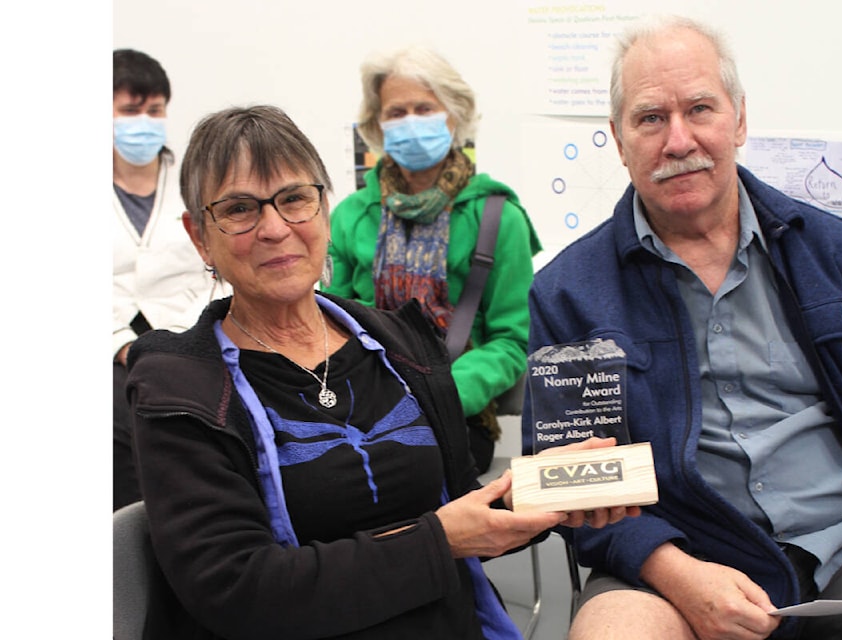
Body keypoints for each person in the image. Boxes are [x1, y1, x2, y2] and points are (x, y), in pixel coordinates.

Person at [125, 104, 638, 640]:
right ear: (199, 235)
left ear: (325, 207)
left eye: (295, 199)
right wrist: (440, 540)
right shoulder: (180, 388)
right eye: (239, 209)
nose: (275, 228)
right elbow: (240, 590)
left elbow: (458, 506)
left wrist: (547, 490)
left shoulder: (400, 345)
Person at [522, 16, 842, 640]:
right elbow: (564, 479)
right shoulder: (568, 293)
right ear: (619, 142)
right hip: (675, 555)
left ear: (740, 120)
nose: (678, 141)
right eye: (650, 118)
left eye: (700, 108)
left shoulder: (840, 257)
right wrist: (674, 572)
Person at [325, 45, 540, 473]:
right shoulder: (349, 217)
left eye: (424, 108)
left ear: (454, 115)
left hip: (456, 415)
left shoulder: (498, 215)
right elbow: (330, 328)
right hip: (363, 411)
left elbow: (512, 340)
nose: (410, 122)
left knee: (392, 476)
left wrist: (440, 394)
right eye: (397, 112)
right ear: (377, 125)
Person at [112, 48, 216, 511]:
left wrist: (191, 338)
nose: (144, 122)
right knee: (125, 423)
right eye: (130, 111)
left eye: (154, 110)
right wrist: (118, 343)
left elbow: (218, 266)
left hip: (192, 338)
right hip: (114, 353)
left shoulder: (194, 182)